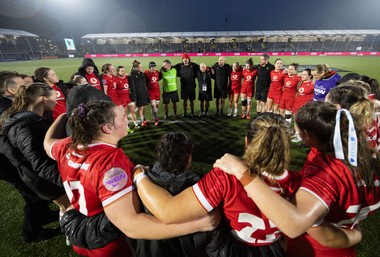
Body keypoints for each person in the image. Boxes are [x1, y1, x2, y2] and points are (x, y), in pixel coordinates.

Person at [214, 101, 380, 257]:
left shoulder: (326, 173)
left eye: (298, 129)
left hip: (314, 251)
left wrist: (241, 171)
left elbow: (294, 226)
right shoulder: (368, 159)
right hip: (345, 248)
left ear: (308, 135)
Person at [43, 100, 218, 257]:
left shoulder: (68, 145)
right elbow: (130, 225)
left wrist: (65, 116)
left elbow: (47, 143)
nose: (126, 119)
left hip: (82, 231)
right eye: (122, 117)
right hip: (109, 245)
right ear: (108, 128)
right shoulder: (110, 162)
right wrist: (196, 225)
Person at [134, 112, 306, 256]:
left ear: (247, 141)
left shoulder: (225, 177)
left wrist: (139, 175)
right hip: (274, 249)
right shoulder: (299, 182)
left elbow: (168, 212)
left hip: (233, 250)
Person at [0, 72, 59, 242]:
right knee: (32, 195)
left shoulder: (15, 108)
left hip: (19, 161)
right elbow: (8, 146)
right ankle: (31, 233)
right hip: (9, 164)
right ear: (11, 89)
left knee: (37, 193)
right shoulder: (7, 111)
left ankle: (45, 215)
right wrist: (24, 166)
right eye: (23, 85)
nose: (27, 88)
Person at [0, 83, 70, 216]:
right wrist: (67, 181)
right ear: (44, 99)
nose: (56, 101)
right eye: (54, 97)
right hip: (45, 180)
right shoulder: (26, 127)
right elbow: (41, 164)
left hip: (42, 178)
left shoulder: (27, 119)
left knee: (67, 209)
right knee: (71, 210)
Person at [291, 68, 314, 142]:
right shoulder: (299, 82)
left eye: (304, 75)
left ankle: (303, 135)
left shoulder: (313, 84)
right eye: (302, 74)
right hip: (297, 103)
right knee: (295, 119)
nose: (302, 76)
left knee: (303, 121)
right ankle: (297, 133)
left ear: (310, 76)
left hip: (305, 106)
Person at [174, 53, 199, 117]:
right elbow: (170, 67)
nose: (185, 60)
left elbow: (202, 67)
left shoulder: (194, 65)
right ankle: (185, 112)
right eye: (184, 59)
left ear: (189, 59)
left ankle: (192, 112)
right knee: (184, 100)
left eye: (186, 58)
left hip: (192, 86)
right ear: (182, 59)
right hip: (184, 87)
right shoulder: (179, 66)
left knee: (191, 101)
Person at [128, 60, 150, 127]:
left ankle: (144, 119)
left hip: (144, 93)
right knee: (140, 108)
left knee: (144, 108)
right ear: (136, 68)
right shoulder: (132, 75)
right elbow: (132, 87)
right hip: (138, 95)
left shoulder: (142, 74)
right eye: (140, 67)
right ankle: (142, 122)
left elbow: (144, 84)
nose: (141, 68)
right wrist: (134, 97)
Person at [144, 61, 161, 126]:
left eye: (154, 67)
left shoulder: (157, 72)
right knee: (153, 105)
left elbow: (158, 79)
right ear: (149, 67)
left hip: (157, 92)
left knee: (156, 106)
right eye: (152, 67)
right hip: (150, 92)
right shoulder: (146, 73)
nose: (154, 68)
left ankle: (154, 116)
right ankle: (156, 120)